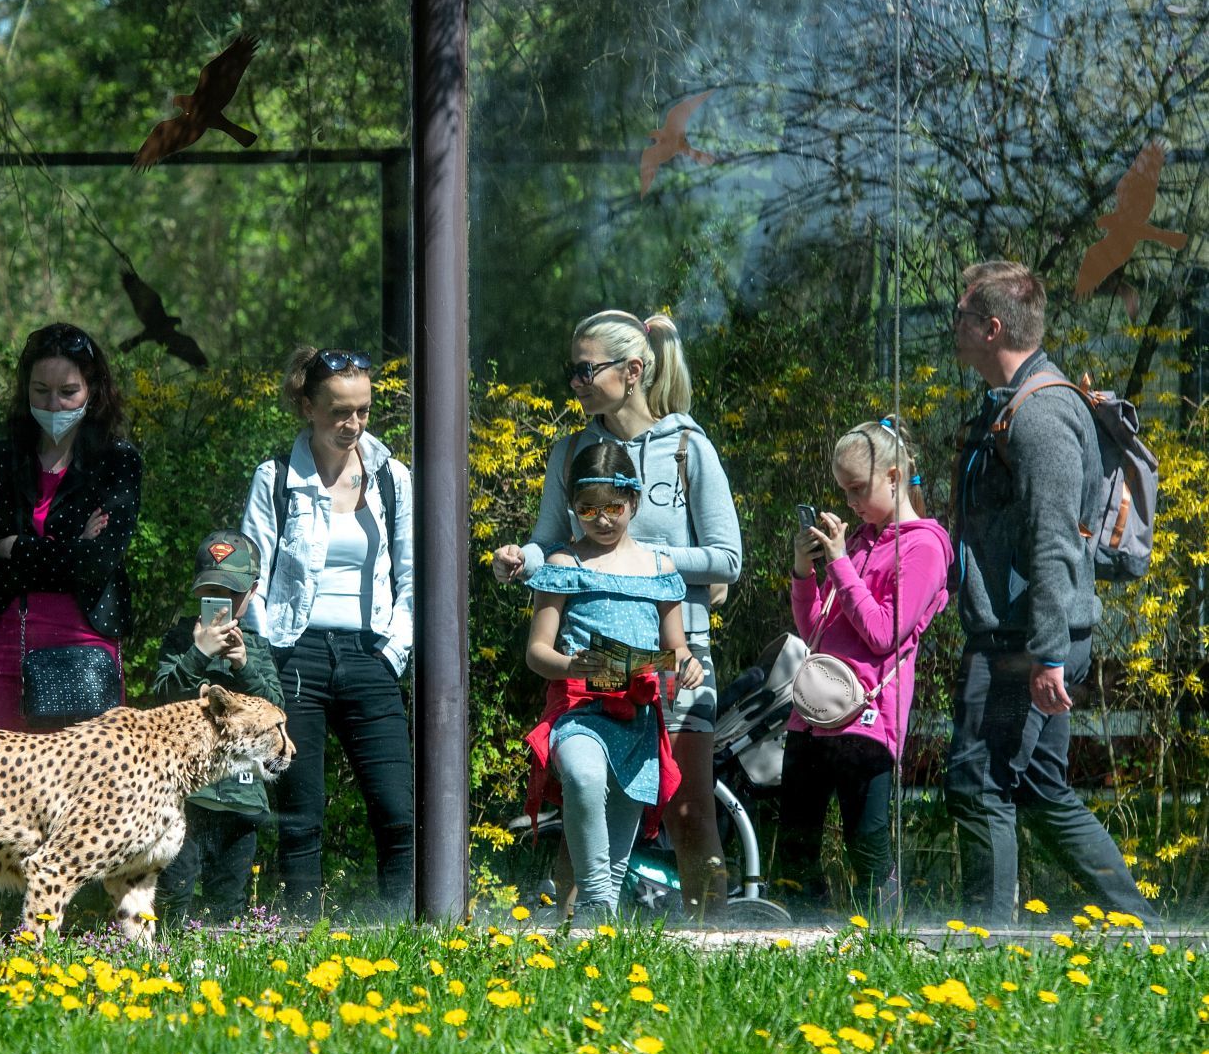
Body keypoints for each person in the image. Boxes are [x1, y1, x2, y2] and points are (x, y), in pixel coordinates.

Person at [493, 310, 741, 918]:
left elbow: (727, 558)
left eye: (585, 369)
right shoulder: (572, 449)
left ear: (631, 372)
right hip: (589, 657)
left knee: (687, 805)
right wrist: (520, 559)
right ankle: (573, 939)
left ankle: (712, 939)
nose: (574, 382)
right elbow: (550, 538)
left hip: (672, 653)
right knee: (585, 792)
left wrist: (642, 560)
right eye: (570, 370)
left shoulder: (689, 447)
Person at [946, 260, 1158, 924]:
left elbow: (1053, 540)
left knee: (978, 781)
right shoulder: (1014, 405)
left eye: (961, 316)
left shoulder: (1041, 415)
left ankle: (985, 950)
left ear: (992, 326)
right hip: (1030, 637)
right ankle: (1145, 930)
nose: (953, 328)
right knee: (1040, 790)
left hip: (1026, 643)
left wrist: (1044, 655)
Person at [241, 346, 414, 917]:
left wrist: (393, 651)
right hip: (298, 651)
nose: (354, 424)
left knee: (396, 806)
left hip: (370, 650)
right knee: (300, 811)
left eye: (363, 410)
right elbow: (252, 578)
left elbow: (414, 576)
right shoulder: (276, 478)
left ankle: (405, 929)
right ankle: (299, 928)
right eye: (340, 411)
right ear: (308, 406)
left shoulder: (392, 477)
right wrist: (268, 655)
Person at [522, 444, 701, 925]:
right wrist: (571, 665)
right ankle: (595, 902)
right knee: (583, 777)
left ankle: (599, 930)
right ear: (573, 509)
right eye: (587, 510)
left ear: (635, 502)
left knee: (619, 849)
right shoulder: (562, 564)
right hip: (579, 712)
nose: (601, 520)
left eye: (613, 508)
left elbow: (676, 647)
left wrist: (687, 665)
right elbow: (537, 651)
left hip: (639, 720)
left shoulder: (660, 569)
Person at [781, 418, 952, 918]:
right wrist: (803, 569)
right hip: (813, 713)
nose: (852, 502)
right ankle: (801, 939)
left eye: (859, 489)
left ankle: (882, 944)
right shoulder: (858, 540)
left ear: (894, 478)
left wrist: (840, 563)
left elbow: (882, 633)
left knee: (867, 847)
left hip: (867, 718)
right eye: (844, 491)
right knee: (795, 841)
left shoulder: (925, 546)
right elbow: (814, 628)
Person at [0, 323, 143, 731]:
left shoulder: (117, 460)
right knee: (1, 788)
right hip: (7, 649)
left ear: (92, 390)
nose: (55, 405)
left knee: (87, 790)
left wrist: (15, 547)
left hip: (85, 654)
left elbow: (96, 563)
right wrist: (72, 548)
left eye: (68, 392)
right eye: (41, 391)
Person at [152, 530, 283, 923]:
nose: (221, 604)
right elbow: (161, 698)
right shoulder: (180, 640)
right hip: (183, 798)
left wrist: (243, 665)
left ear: (252, 592)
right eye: (211, 592)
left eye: (231, 594)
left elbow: (276, 712)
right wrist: (198, 653)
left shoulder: (256, 647)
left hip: (242, 801)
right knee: (172, 899)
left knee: (228, 904)